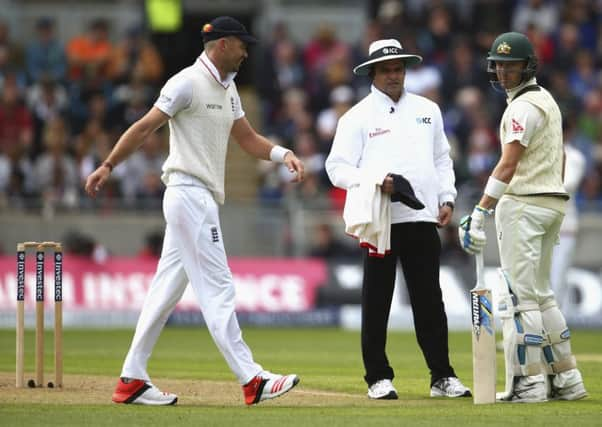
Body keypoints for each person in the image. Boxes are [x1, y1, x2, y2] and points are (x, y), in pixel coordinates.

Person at [85, 16, 304, 406]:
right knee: (218, 288)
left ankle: (131, 379)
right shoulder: (185, 82)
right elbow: (144, 126)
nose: (247, 50)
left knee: (165, 291)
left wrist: (282, 154)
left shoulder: (229, 87)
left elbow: (247, 138)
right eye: (241, 43)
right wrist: (108, 165)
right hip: (188, 194)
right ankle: (251, 378)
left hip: (200, 199)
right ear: (221, 45)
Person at [325, 39, 471, 400]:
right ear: (373, 72)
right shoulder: (356, 116)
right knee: (377, 301)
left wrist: (447, 196)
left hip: (422, 216)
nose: (394, 75)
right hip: (380, 218)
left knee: (429, 302)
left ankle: (442, 376)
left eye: (399, 68)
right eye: (387, 69)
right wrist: (376, 181)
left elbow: (442, 160)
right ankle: (377, 377)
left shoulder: (428, 110)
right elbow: (336, 168)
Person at [458, 32, 587, 403]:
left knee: (519, 299)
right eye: (498, 65)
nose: (502, 72)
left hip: (525, 205)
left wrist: (482, 209)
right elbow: (559, 158)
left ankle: (527, 384)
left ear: (527, 66)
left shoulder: (522, 107)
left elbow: (508, 163)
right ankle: (566, 379)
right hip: (551, 203)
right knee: (543, 296)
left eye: (510, 65)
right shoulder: (547, 101)